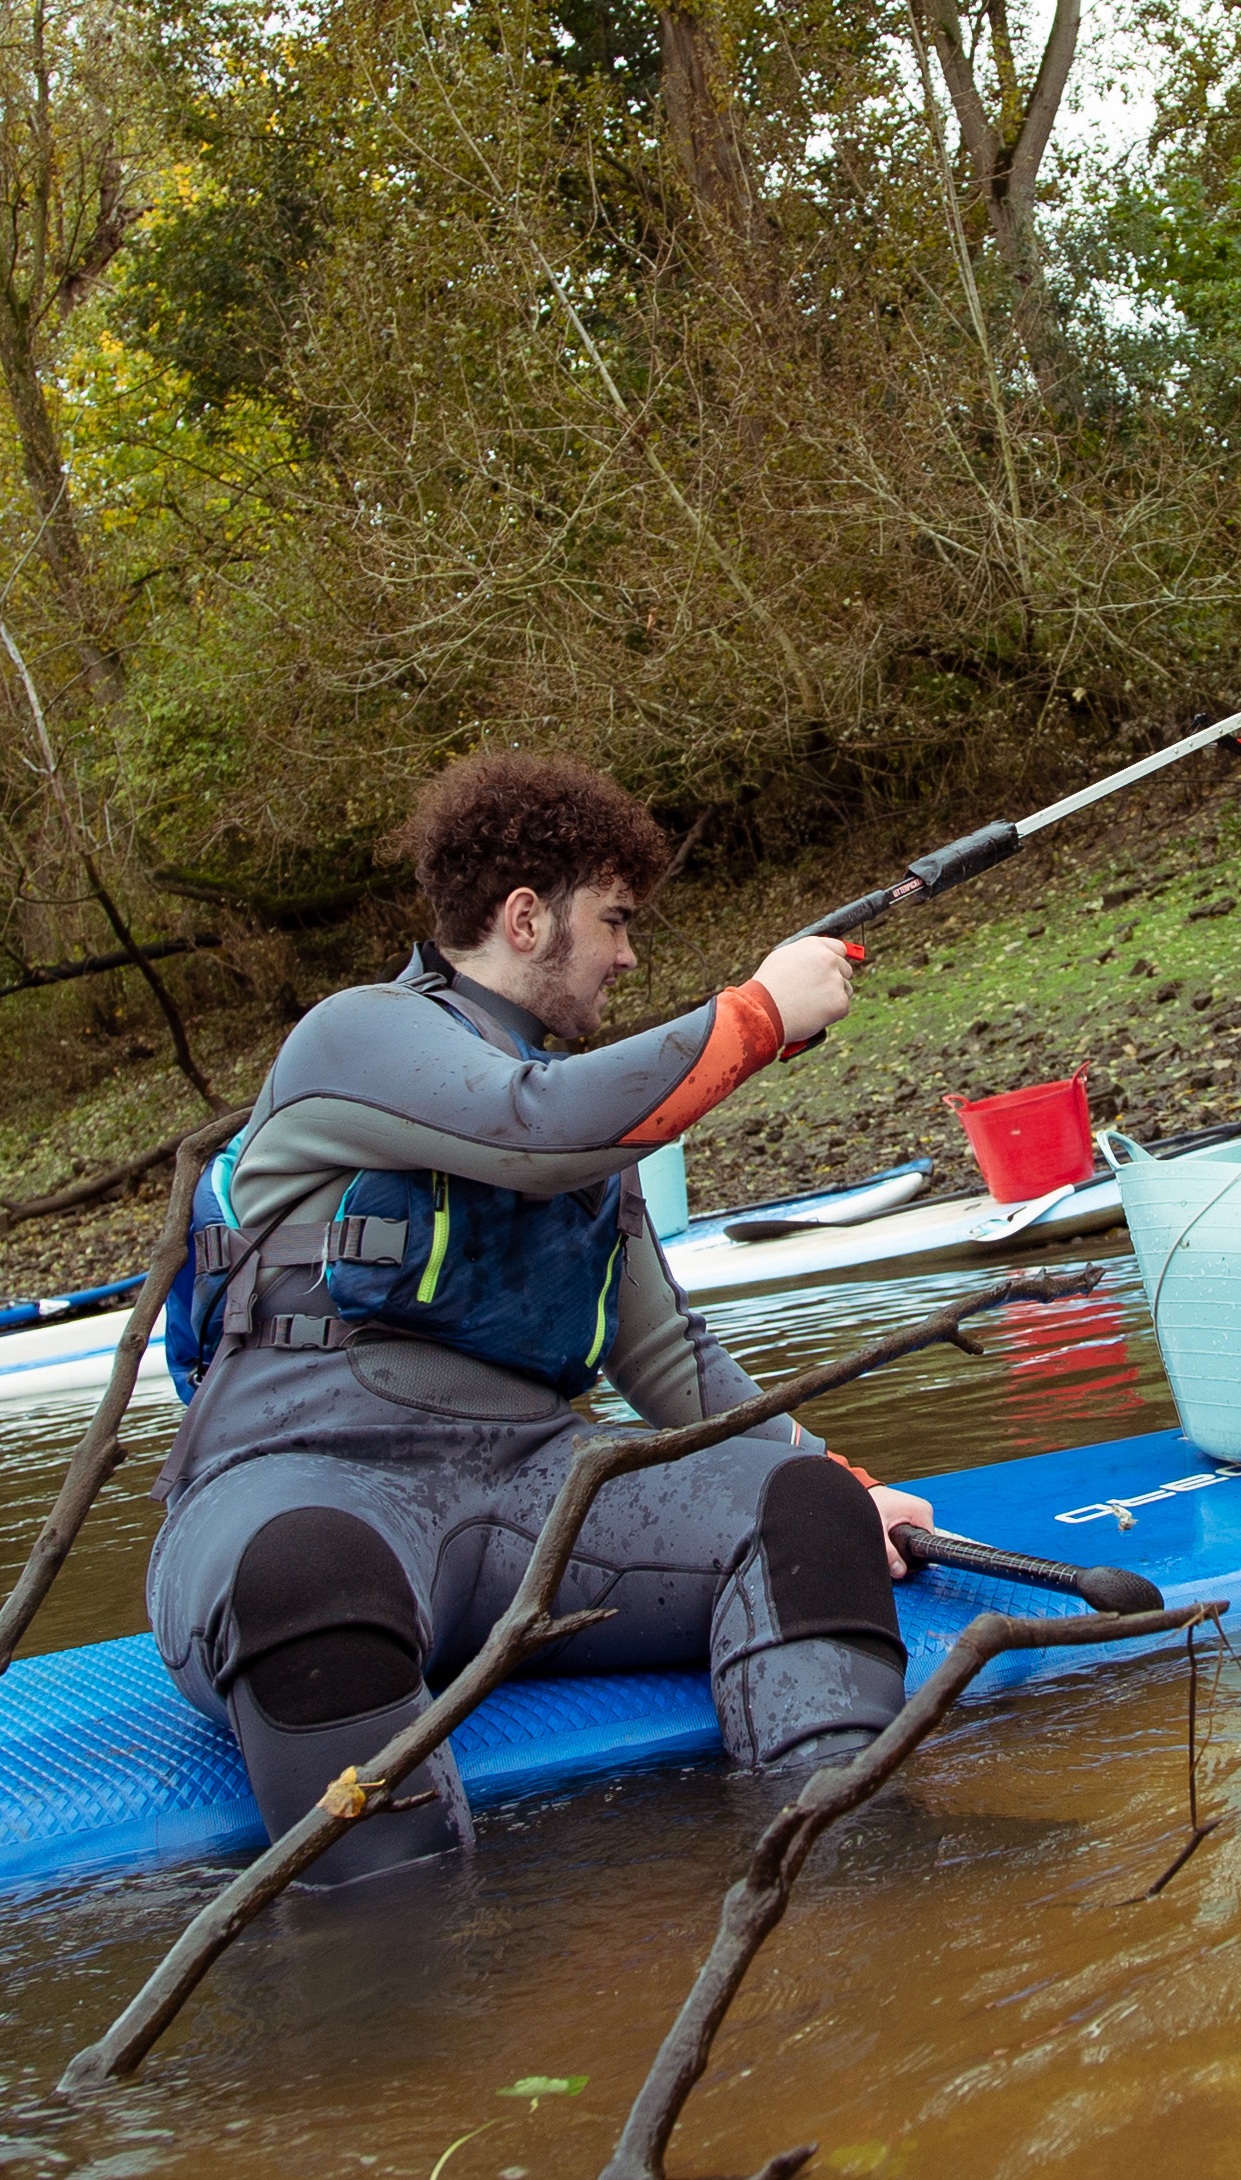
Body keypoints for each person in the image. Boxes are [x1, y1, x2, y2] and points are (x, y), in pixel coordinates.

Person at [149, 751, 933, 1887]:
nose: (628, 955)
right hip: (295, 1481)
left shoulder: (590, 1138)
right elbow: (533, 1126)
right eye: (613, 921)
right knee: (308, 1574)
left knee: (801, 1510)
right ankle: (404, 1984)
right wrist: (759, 1015)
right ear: (525, 918)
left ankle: (851, 1864)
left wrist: (846, 1482)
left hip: (535, 1502)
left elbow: (666, 1353)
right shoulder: (354, 1037)